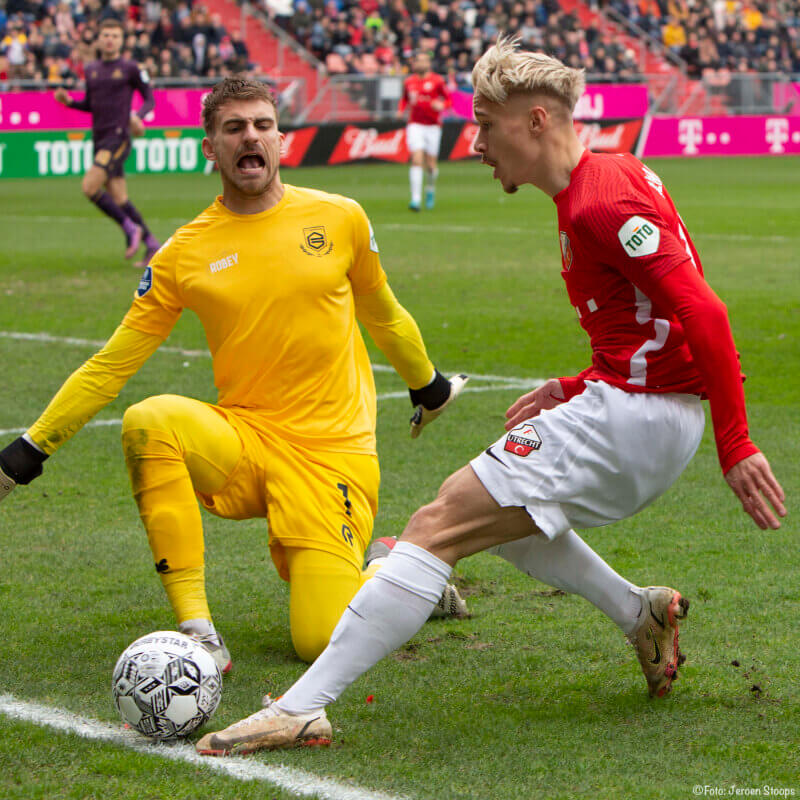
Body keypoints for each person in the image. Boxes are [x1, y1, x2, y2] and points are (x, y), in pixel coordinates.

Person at [195, 39, 787, 755]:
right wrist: (572, 386)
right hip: (638, 408)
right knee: (506, 523)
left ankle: (300, 707)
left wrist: (738, 444)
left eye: (486, 124)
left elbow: (705, 315)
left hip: (640, 419)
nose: (474, 143)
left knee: (438, 522)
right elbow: (652, 319)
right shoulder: (601, 181)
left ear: (536, 121)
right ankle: (641, 614)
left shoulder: (600, 201)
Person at [0, 76, 469, 673]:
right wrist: (25, 453)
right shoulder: (182, 254)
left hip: (332, 455)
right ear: (211, 149)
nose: (251, 137)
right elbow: (112, 364)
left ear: (281, 140)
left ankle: (392, 569)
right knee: (151, 422)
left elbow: (384, 312)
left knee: (319, 641)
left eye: (263, 125)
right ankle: (198, 632)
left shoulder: (340, 217)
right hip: (245, 440)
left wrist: (426, 387)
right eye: (234, 128)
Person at [54, 18, 161, 267]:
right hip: (100, 137)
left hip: (118, 136)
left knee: (89, 187)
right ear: (99, 39)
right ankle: (152, 244)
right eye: (106, 35)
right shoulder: (91, 70)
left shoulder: (131, 68)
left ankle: (129, 228)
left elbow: (149, 99)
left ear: (122, 40)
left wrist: (138, 117)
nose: (110, 39)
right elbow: (91, 105)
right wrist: (69, 101)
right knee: (120, 198)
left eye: (115, 35)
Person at [399, 51, 450, 211]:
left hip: (433, 126)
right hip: (415, 124)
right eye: (417, 61)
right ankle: (415, 199)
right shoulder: (409, 81)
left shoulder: (437, 80)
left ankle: (430, 189)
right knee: (416, 159)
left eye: (422, 61)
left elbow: (449, 99)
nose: (419, 64)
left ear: (428, 63)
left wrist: (442, 106)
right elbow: (405, 99)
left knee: (431, 165)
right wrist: (401, 109)